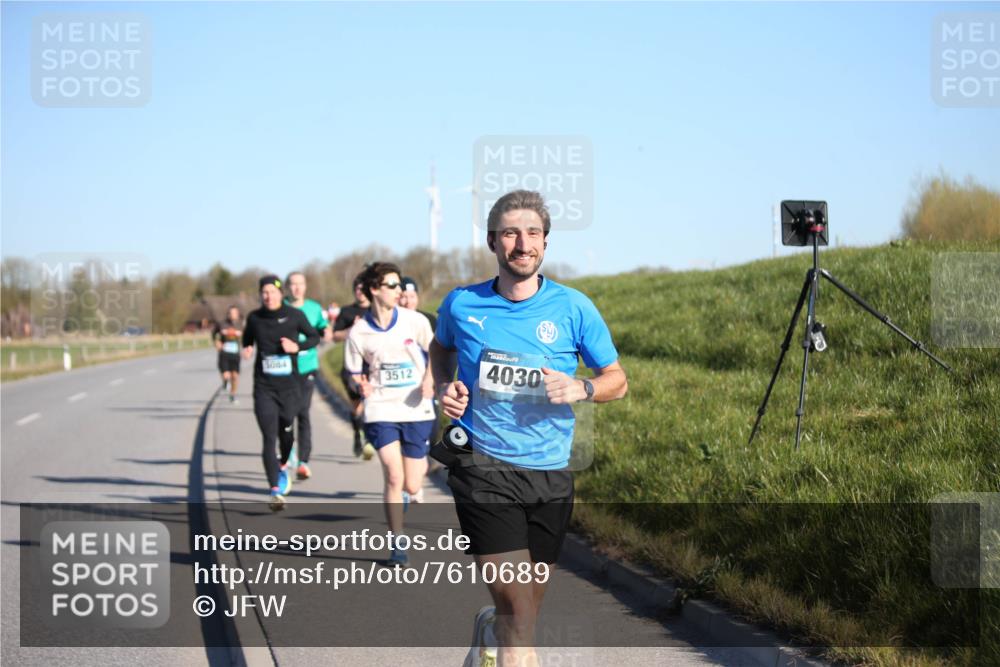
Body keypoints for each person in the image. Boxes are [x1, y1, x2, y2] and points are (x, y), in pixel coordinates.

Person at [430, 190, 627, 667]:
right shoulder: (461, 304)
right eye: (511, 233)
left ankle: (488, 633)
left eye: (533, 233)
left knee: (524, 613)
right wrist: (444, 387)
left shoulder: (574, 308)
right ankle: (504, 638)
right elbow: (441, 350)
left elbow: (617, 381)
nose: (523, 243)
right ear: (493, 241)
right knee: (519, 615)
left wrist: (582, 390)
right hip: (483, 467)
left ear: (545, 242)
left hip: (550, 473)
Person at [344, 262, 435, 566]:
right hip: (381, 408)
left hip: (416, 407)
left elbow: (438, 351)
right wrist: (359, 386)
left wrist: (430, 378)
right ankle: (398, 543)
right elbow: (353, 372)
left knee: (411, 483)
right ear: (374, 290)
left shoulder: (415, 321)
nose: (400, 291)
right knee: (393, 475)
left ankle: (408, 496)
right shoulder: (359, 332)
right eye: (393, 286)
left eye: (400, 286)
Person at [242, 275, 320, 511]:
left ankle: (284, 464)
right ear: (260, 295)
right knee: (268, 438)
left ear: (280, 293)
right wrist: (246, 347)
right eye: (264, 292)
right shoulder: (255, 318)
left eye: (273, 292)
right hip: (264, 388)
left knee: (287, 432)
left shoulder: (295, 316)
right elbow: (248, 338)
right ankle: (275, 490)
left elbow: (314, 337)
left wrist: (297, 347)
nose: (269, 296)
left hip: (290, 388)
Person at [278, 271, 332, 481]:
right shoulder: (280, 307)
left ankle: (303, 461)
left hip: (307, 366)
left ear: (305, 286)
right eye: (292, 284)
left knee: (303, 412)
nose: (296, 288)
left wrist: (326, 331)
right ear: (287, 287)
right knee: (285, 415)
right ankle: (287, 449)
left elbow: (321, 326)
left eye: (300, 284)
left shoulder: (313, 308)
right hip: (284, 369)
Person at [333, 273, 374, 459]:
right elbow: (334, 336)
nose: (359, 292)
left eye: (362, 288)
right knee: (357, 407)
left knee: (372, 405)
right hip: (352, 367)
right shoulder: (347, 311)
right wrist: (352, 329)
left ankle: (369, 439)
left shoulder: (377, 310)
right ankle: (358, 434)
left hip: (373, 367)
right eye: (356, 289)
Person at [212, 305, 243, 403]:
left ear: (238, 314)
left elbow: (248, 336)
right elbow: (214, 333)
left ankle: (233, 395)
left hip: (236, 354)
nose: (232, 315)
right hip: (224, 353)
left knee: (235, 376)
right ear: (228, 314)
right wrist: (216, 342)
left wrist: (247, 347)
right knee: (226, 375)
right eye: (230, 313)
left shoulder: (241, 325)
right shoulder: (222, 324)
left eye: (234, 313)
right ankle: (225, 382)